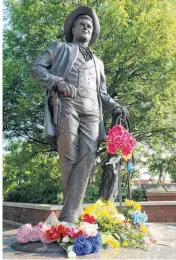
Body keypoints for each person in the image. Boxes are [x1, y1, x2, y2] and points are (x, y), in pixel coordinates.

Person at [29, 6, 126, 223]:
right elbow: (36, 68)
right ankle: (71, 216)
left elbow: (102, 93)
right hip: (67, 106)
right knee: (68, 157)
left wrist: (116, 106)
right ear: (73, 28)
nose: (86, 28)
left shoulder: (98, 62)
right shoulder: (60, 48)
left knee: (88, 156)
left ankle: (69, 216)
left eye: (90, 27)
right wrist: (57, 82)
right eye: (82, 24)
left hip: (92, 111)